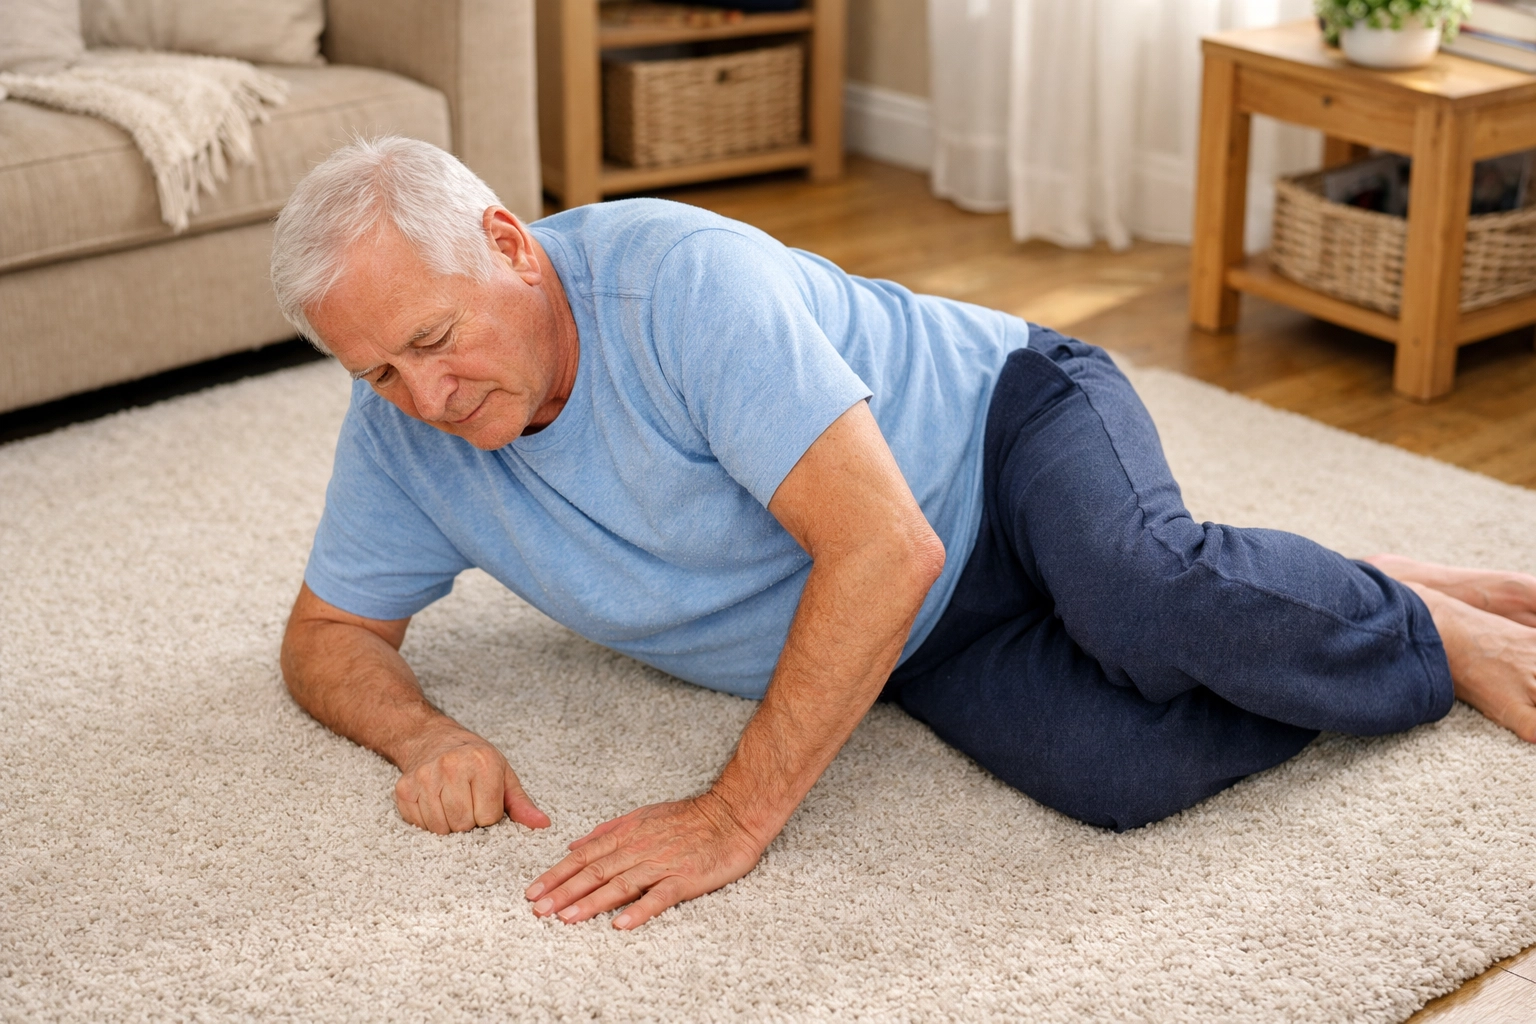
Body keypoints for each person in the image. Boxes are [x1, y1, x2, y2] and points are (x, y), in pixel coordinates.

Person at [271, 137, 1536, 932]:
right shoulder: (402, 430)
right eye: (380, 372)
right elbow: (326, 633)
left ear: (507, 245)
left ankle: (1427, 628)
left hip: (1003, 429)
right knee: (1122, 774)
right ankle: (1333, 580)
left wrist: (732, 816)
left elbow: (885, 548)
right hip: (906, 624)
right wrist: (423, 732)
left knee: (1147, 599)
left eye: (434, 342)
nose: (425, 399)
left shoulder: (681, 284)